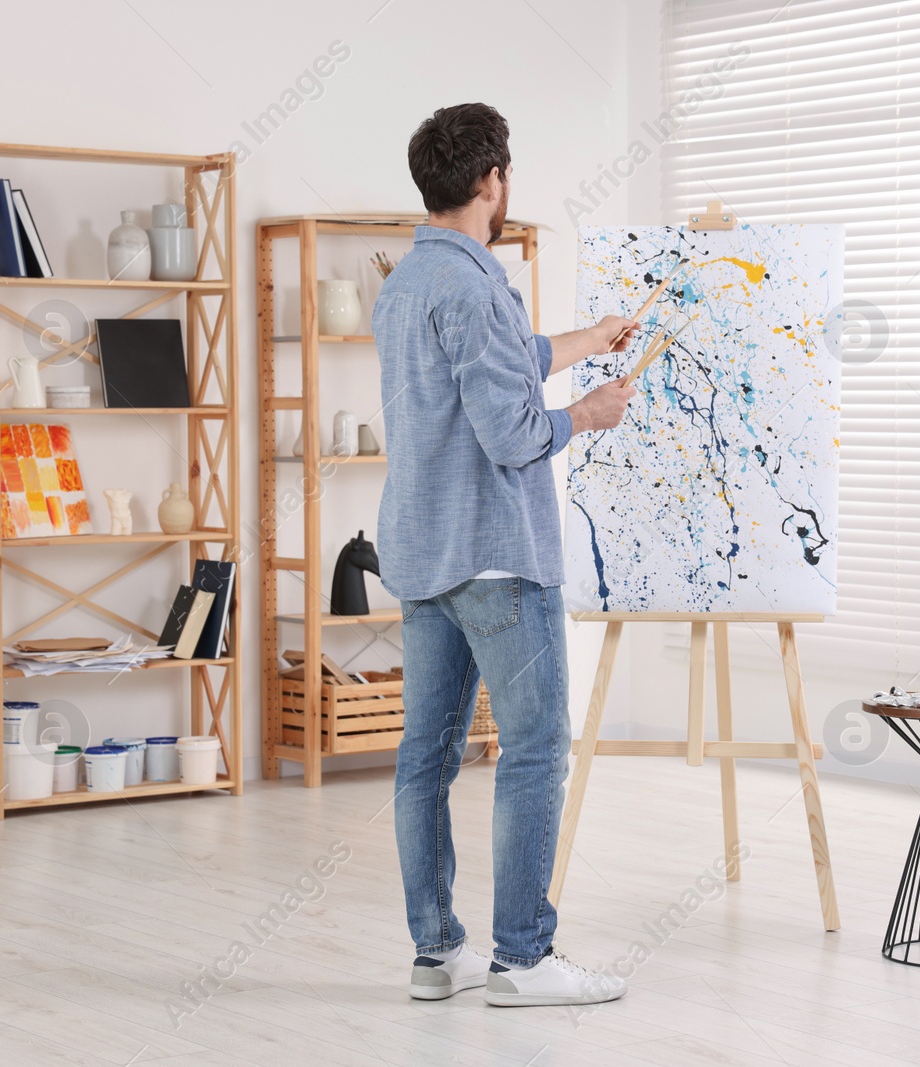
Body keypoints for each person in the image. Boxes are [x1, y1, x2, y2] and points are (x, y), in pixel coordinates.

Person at [372, 102, 637, 1008]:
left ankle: (437, 953)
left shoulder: (406, 282)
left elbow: (503, 363)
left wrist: (588, 342)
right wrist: (589, 412)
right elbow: (515, 431)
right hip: (496, 560)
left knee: (425, 756)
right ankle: (524, 958)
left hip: (423, 556)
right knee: (533, 752)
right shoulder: (478, 284)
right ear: (494, 181)